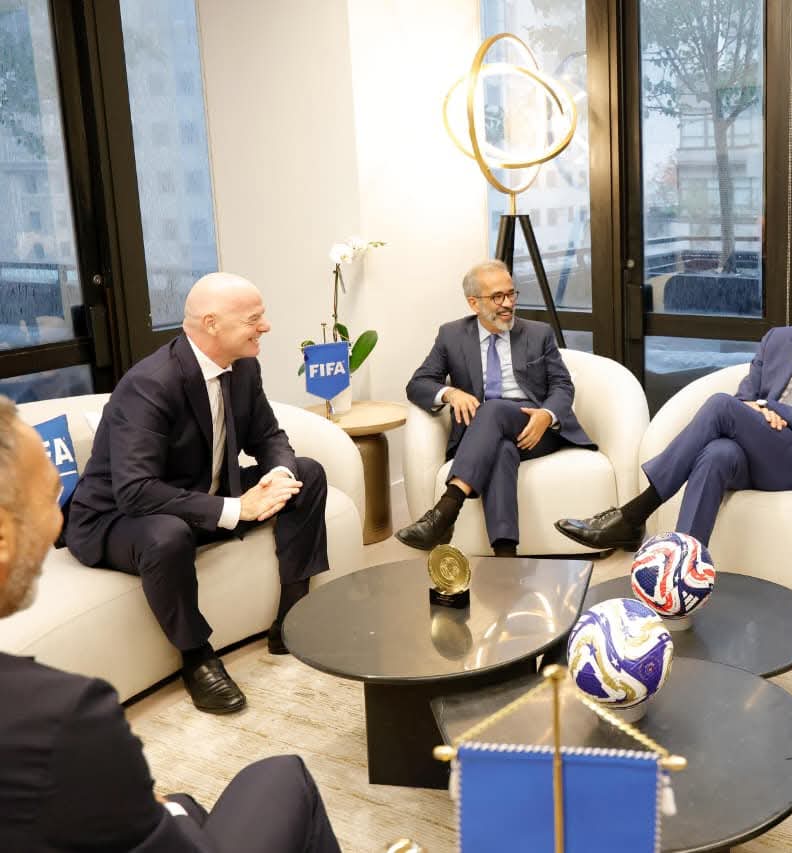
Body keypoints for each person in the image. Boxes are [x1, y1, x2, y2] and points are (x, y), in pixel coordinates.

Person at [0, 395, 342, 852]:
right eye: (49, 501)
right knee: (284, 775)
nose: (56, 522)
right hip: (152, 516)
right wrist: (170, 811)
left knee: (185, 804)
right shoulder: (68, 715)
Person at [66, 273, 330, 715]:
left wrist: (278, 474)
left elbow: (267, 436)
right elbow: (135, 491)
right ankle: (197, 658)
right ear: (211, 324)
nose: (265, 326)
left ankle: (292, 616)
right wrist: (237, 507)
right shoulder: (150, 384)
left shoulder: (243, 367)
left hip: (199, 497)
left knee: (307, 474)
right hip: (118, 519)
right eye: (254, 318)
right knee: (167, 535)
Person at [555, 259, 792, 552]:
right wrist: (758, 411)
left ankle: (633, 514)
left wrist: (772, 409)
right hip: (760, 450)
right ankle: (682, 566)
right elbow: (746, 398)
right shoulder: (779, 339)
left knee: (721, 405)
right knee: (718, 454)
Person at [397, 260, 594, 555]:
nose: (508, 304)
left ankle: (446, 510)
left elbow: (562, 385)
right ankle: (505, 558)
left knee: (493, 409)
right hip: (485, 433)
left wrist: (546, 415)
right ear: (473, 303)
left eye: (511, 294)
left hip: (535, 428)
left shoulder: (538, 333)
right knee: (502, 450)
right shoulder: (451, 335)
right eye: (497, 297)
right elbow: (418, 384)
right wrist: (451, 393)